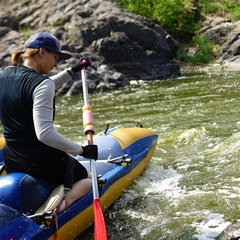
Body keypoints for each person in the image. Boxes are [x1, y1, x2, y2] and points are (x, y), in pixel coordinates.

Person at [0, 31, 98, 212]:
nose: (56, 63)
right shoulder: (42, 84)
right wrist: (82, 150)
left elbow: (38, 88)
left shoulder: (5, 74)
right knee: (88, 179)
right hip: (40, 161)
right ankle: (60, 206)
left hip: (12, 158)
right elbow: (44, 134)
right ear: (42, 52)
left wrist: (71, 71)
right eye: (55, 57)